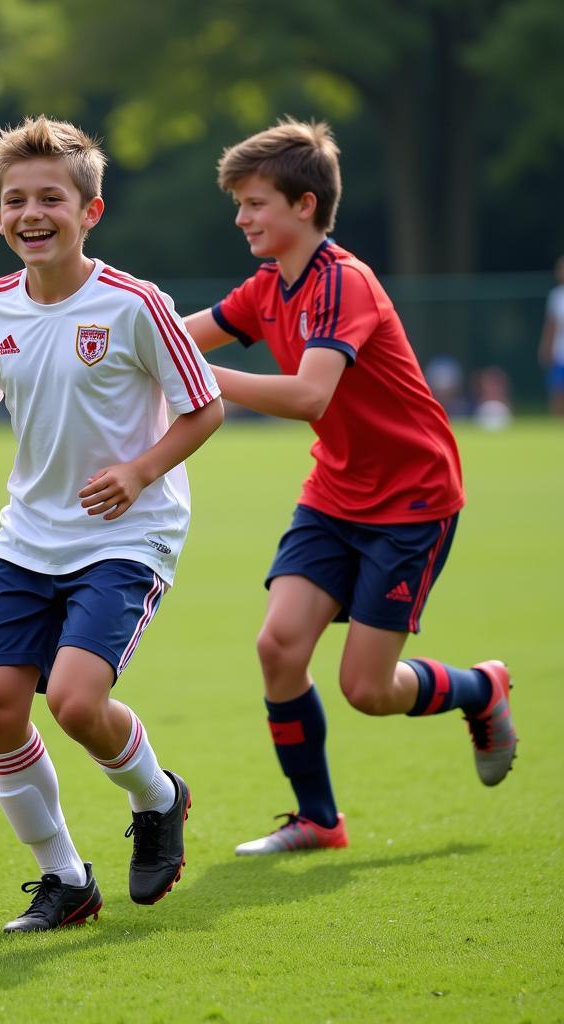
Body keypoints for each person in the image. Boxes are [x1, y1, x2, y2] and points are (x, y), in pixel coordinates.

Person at [0, 116, 224, 932]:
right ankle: (65, 880)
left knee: (73, 701)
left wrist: (141, 470)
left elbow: (204, 408)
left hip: (127, 536)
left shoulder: (137, 305)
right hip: (27, 539)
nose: (31, 214)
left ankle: (158, 797)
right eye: (14, 200)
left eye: (50, 199)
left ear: (89, 212)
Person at [184, 118, 517, 856]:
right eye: (238, 203)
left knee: (367, 689)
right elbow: (183, 333)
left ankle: (479, 689)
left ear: (304, 206)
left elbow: (309, 397)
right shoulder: (269, 285)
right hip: (335, 492)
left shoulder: (345, 282)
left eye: (255, 203)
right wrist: (102, 338)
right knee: (278, 647)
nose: (241, 218)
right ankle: (317, 820)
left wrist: (194, 377)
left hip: (413, 499)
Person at [538, 255, 564, 417]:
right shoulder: (556, 296)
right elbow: (551, 326)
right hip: (560, 353)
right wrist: (545, 348)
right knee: (558, 392)